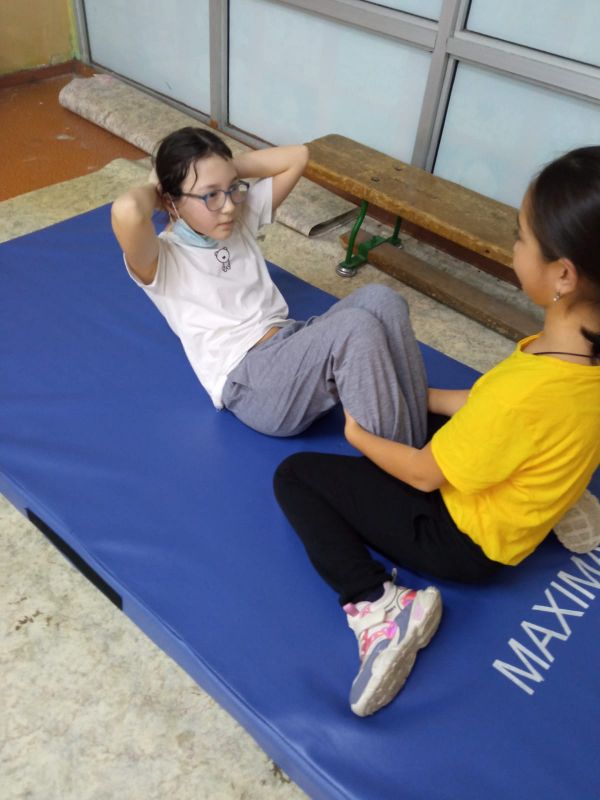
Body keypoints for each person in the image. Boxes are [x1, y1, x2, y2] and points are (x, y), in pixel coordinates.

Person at [273, 146, 600, 718]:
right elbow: (487, 405)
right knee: (416, 415)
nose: (513, 247)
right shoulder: (572, 357)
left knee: (297, 477)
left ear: (564, 275)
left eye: (521, 237)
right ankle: (558, 496)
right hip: (535, 456)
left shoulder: (527, 394)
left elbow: (425, 475)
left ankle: (380, 607)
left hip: (463, 541)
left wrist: (359, 436)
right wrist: (413, 395)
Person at [111, 127, 426, 442]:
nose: (229, 205)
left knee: (382, 299)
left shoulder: (237, 218)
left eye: (232, 188)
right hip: (250, 382)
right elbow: (127, 211)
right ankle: (403, 455)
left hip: (290, 344)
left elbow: (297, 156)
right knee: (355, 327)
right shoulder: (163, 260)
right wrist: (157, 187)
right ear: (170, 201)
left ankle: (414, 424)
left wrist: (222, 171)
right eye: (211, 195)